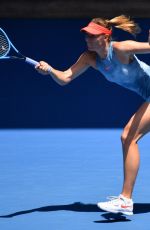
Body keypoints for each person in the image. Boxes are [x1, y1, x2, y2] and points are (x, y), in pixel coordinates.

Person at [36, 15, 150, 216]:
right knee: (129, 138)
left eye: (93, 35)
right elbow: (65, 78)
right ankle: (125, 199)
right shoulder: (89, 58)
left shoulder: (122, 48)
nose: (88, 39)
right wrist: (50, 70)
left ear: (106, 37)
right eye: (86, 35)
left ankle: (125, 200)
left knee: (128, 137)